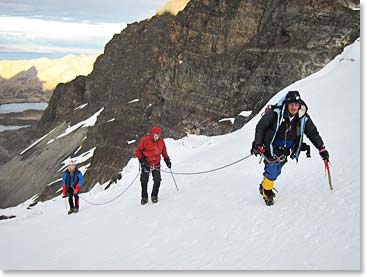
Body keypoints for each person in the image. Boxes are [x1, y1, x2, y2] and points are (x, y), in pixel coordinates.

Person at [251, 90, 329, 206]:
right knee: (272, 171)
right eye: (291, 104)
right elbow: (260, 127)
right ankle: (266, 192)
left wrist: (321, 148)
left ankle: (265, 185)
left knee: (276, 171)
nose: (294, 107)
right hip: (271, 148)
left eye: (296, 105)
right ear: (287, 104)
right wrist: (257, 144)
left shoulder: (303, 117)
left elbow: (312, 133)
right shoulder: (275, 113)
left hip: (286, 151)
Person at [136, 126, 171, 205]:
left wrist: (167, 160)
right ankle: (144, 197)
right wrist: (142, 161)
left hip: (156, 163)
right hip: (146, 163)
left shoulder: (161, 142)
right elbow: (138, 151)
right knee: (144, 180)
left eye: (158, 135)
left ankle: (154, 196)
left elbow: (164, 151)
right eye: (155, 135)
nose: (156, 137)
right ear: (152, 134)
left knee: (157, 180)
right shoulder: (145, 140)